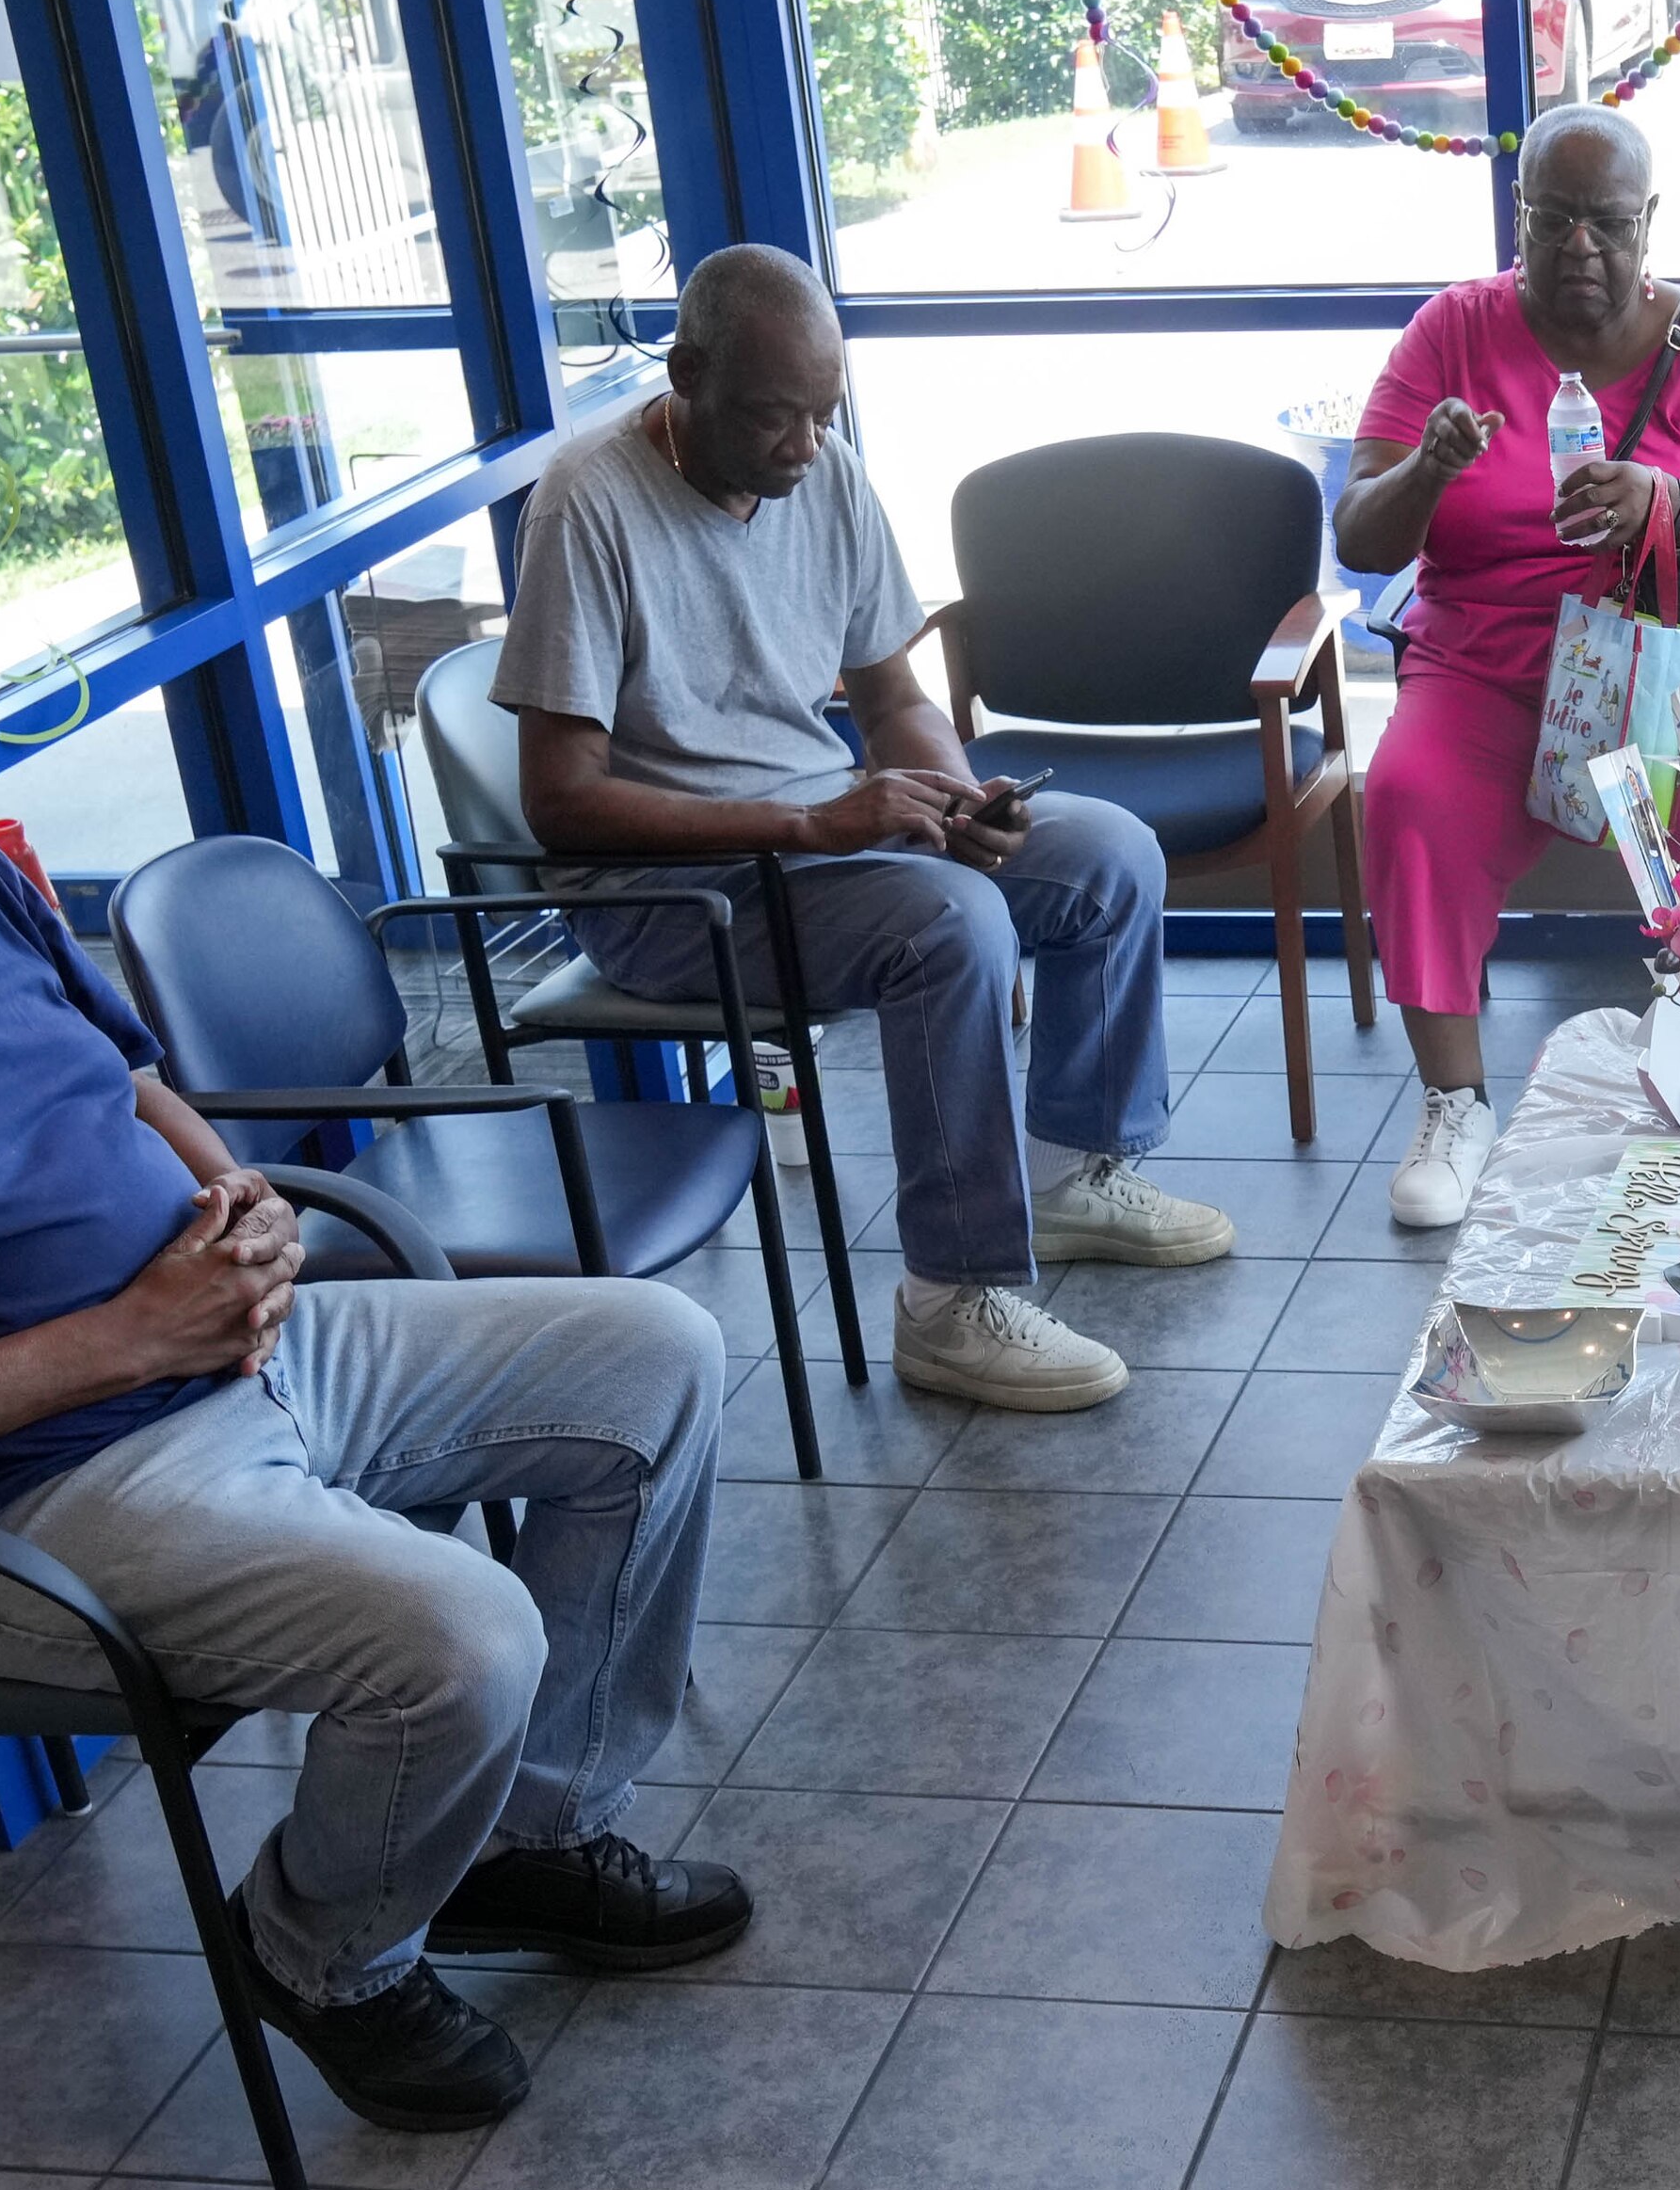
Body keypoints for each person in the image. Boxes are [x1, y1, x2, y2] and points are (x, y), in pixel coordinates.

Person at [0, 531, 752, 2131]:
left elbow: (117, 1070)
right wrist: (134, 1334)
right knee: (460, 1636)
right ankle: (325, 1954)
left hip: (218, 1346)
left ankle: (515, 1845)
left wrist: (230, 1189)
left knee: (655, 1357)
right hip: (10, 1503)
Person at [500, 242, 1234, 1416]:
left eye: (821, 412)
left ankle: (1068, 1175)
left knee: (1105, 853)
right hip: (666, 886)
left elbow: (891, 700)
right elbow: (558, 801)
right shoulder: (586, 506)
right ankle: (951, 1300)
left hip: (823, 833)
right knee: (946, 927)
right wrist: (813, 821)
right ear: (686, 375)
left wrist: (955, 802)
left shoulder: (822, 472)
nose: (800, 445)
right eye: (769, 416)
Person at [1338, 107, 1680, 1228]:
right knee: (1410, 797)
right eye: (1552, 221)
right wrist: (1426, 470)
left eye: (1607, 224)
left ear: (1648, 222)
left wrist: (1671, 501)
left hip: (1663, 663)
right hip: (1485, 664)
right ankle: (1455, 1104)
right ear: (1518, 218)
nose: (1579, 251)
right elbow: (1361, 537)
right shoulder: (1450, 333)